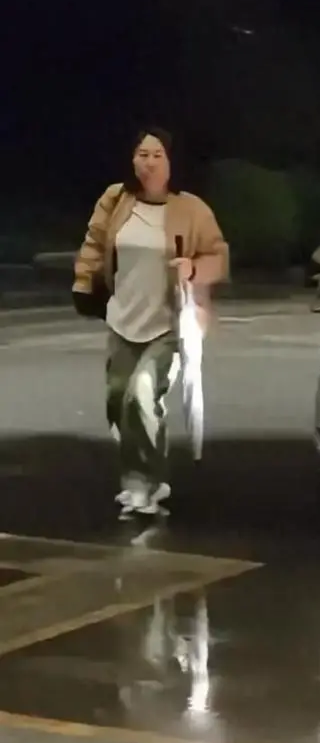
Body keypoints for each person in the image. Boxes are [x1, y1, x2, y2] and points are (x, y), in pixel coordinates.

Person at [72, 128, 227, 517]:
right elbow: (94, 244)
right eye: (142, 154)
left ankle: (148, 483)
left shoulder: (191, 208)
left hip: (169, 324)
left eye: (158, 155)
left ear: (172, 163)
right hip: (123, 318)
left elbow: (217, 255)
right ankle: (137, 478)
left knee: (142, 395)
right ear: (131, 159)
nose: (149, 163)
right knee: (117, 401)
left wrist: (193, 268)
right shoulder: (116, 199)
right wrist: (84, 283)